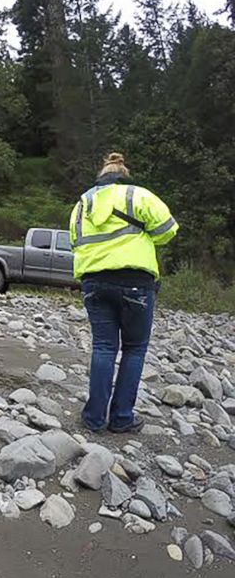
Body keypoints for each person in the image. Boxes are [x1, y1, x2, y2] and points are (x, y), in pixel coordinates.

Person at [70, 152, 178, 433]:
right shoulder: (137, 195)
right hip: (134, 281)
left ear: (100, 176)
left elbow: (75, 240)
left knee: (103, 347)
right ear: (123, 174)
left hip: (93, 281)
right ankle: (121, 418)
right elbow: (168, 229)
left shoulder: (82, 204)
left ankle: (93, 418)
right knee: (134, 349)